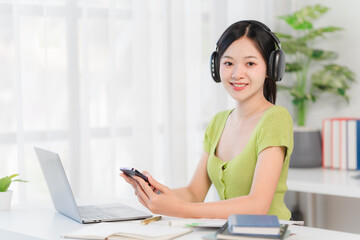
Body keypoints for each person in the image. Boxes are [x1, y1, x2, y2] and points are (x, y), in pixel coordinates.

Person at [120, 20, 293, 220]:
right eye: (228, 63)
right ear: (216, 66)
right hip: (228, 233)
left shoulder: (275, 118)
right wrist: (154, 195)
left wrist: (178, 209)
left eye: (250, 64)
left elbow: (257, 206)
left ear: (271, 68)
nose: (237, 74)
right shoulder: (218, 122)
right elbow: (195, 193)